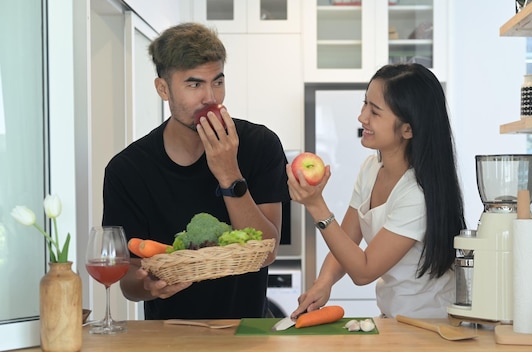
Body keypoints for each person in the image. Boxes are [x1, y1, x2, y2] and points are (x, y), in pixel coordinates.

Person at [102, 22, 290, 319]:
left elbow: (266, 252)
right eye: (194, 85)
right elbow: (129, 283)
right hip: (169, 336)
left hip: (248, 332)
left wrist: (229, 175)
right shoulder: (128, 169)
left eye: (217, 82)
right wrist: (150, 286)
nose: (211, 98)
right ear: (163, 89)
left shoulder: (259, 144)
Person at [287, 63, 466, 319]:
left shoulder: (417, 194)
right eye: (364, 104)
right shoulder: (371, 168)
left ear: (408, 129)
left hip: (431, 325)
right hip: (394, 318)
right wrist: (323, 282)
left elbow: (364, 271)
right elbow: (347, 242)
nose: (362, 117)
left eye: (375, 111)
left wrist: (317, 206)